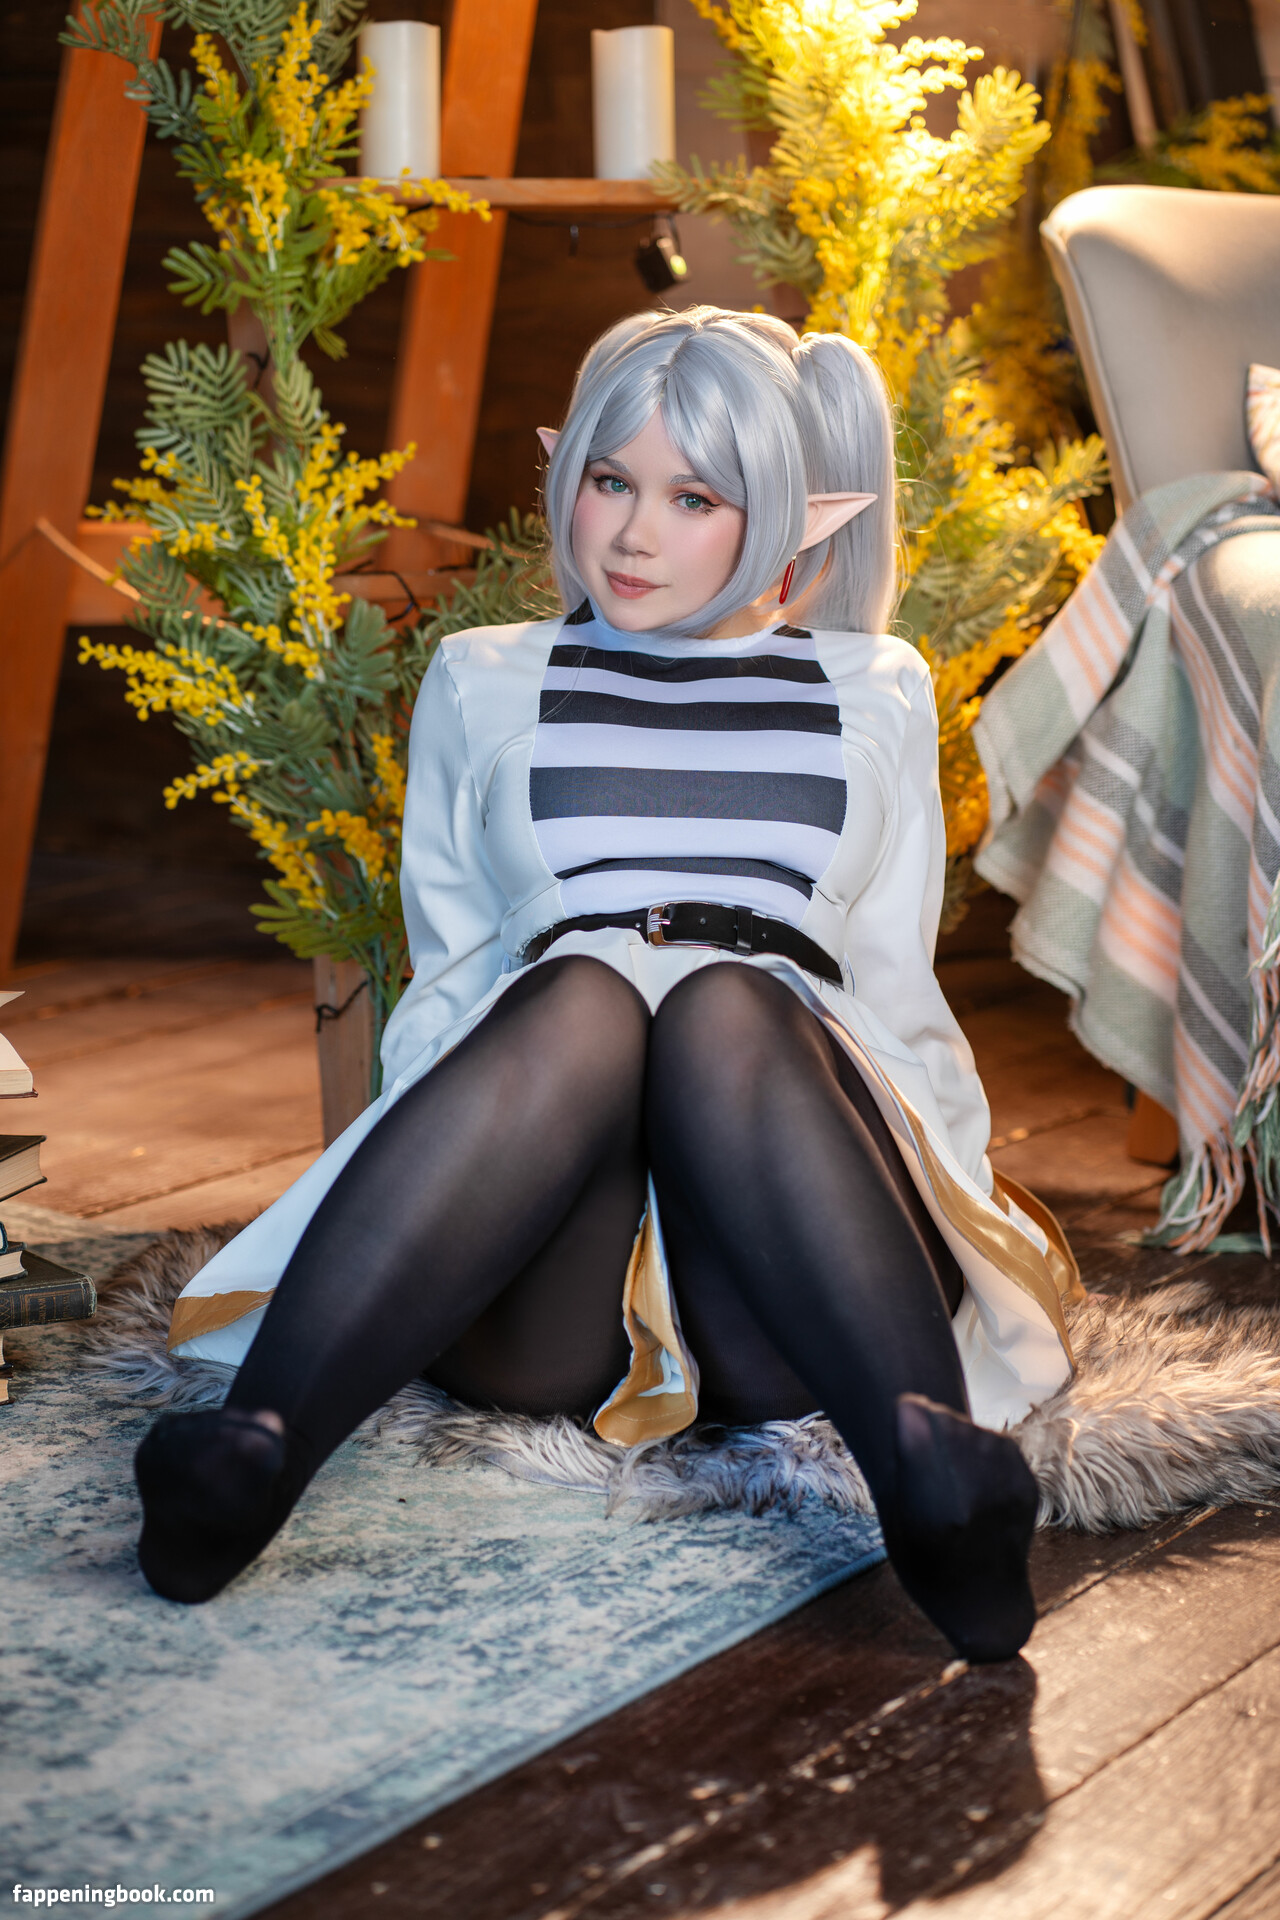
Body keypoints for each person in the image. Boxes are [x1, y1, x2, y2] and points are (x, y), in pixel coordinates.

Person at [138, 306, 1079, 1662]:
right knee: (583, 989)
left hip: (783, 1282)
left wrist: (959, 1212)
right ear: (563, 472)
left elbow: (892, 994)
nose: (634, 534)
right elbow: (452, 982)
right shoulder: (483, 677)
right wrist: (403, 1196)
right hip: (550, 1295)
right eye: (609, 480)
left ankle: (928, 1472)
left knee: (724, 1003)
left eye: (693, 499)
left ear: (788, 518)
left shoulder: (872, 684)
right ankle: (255, 1453)